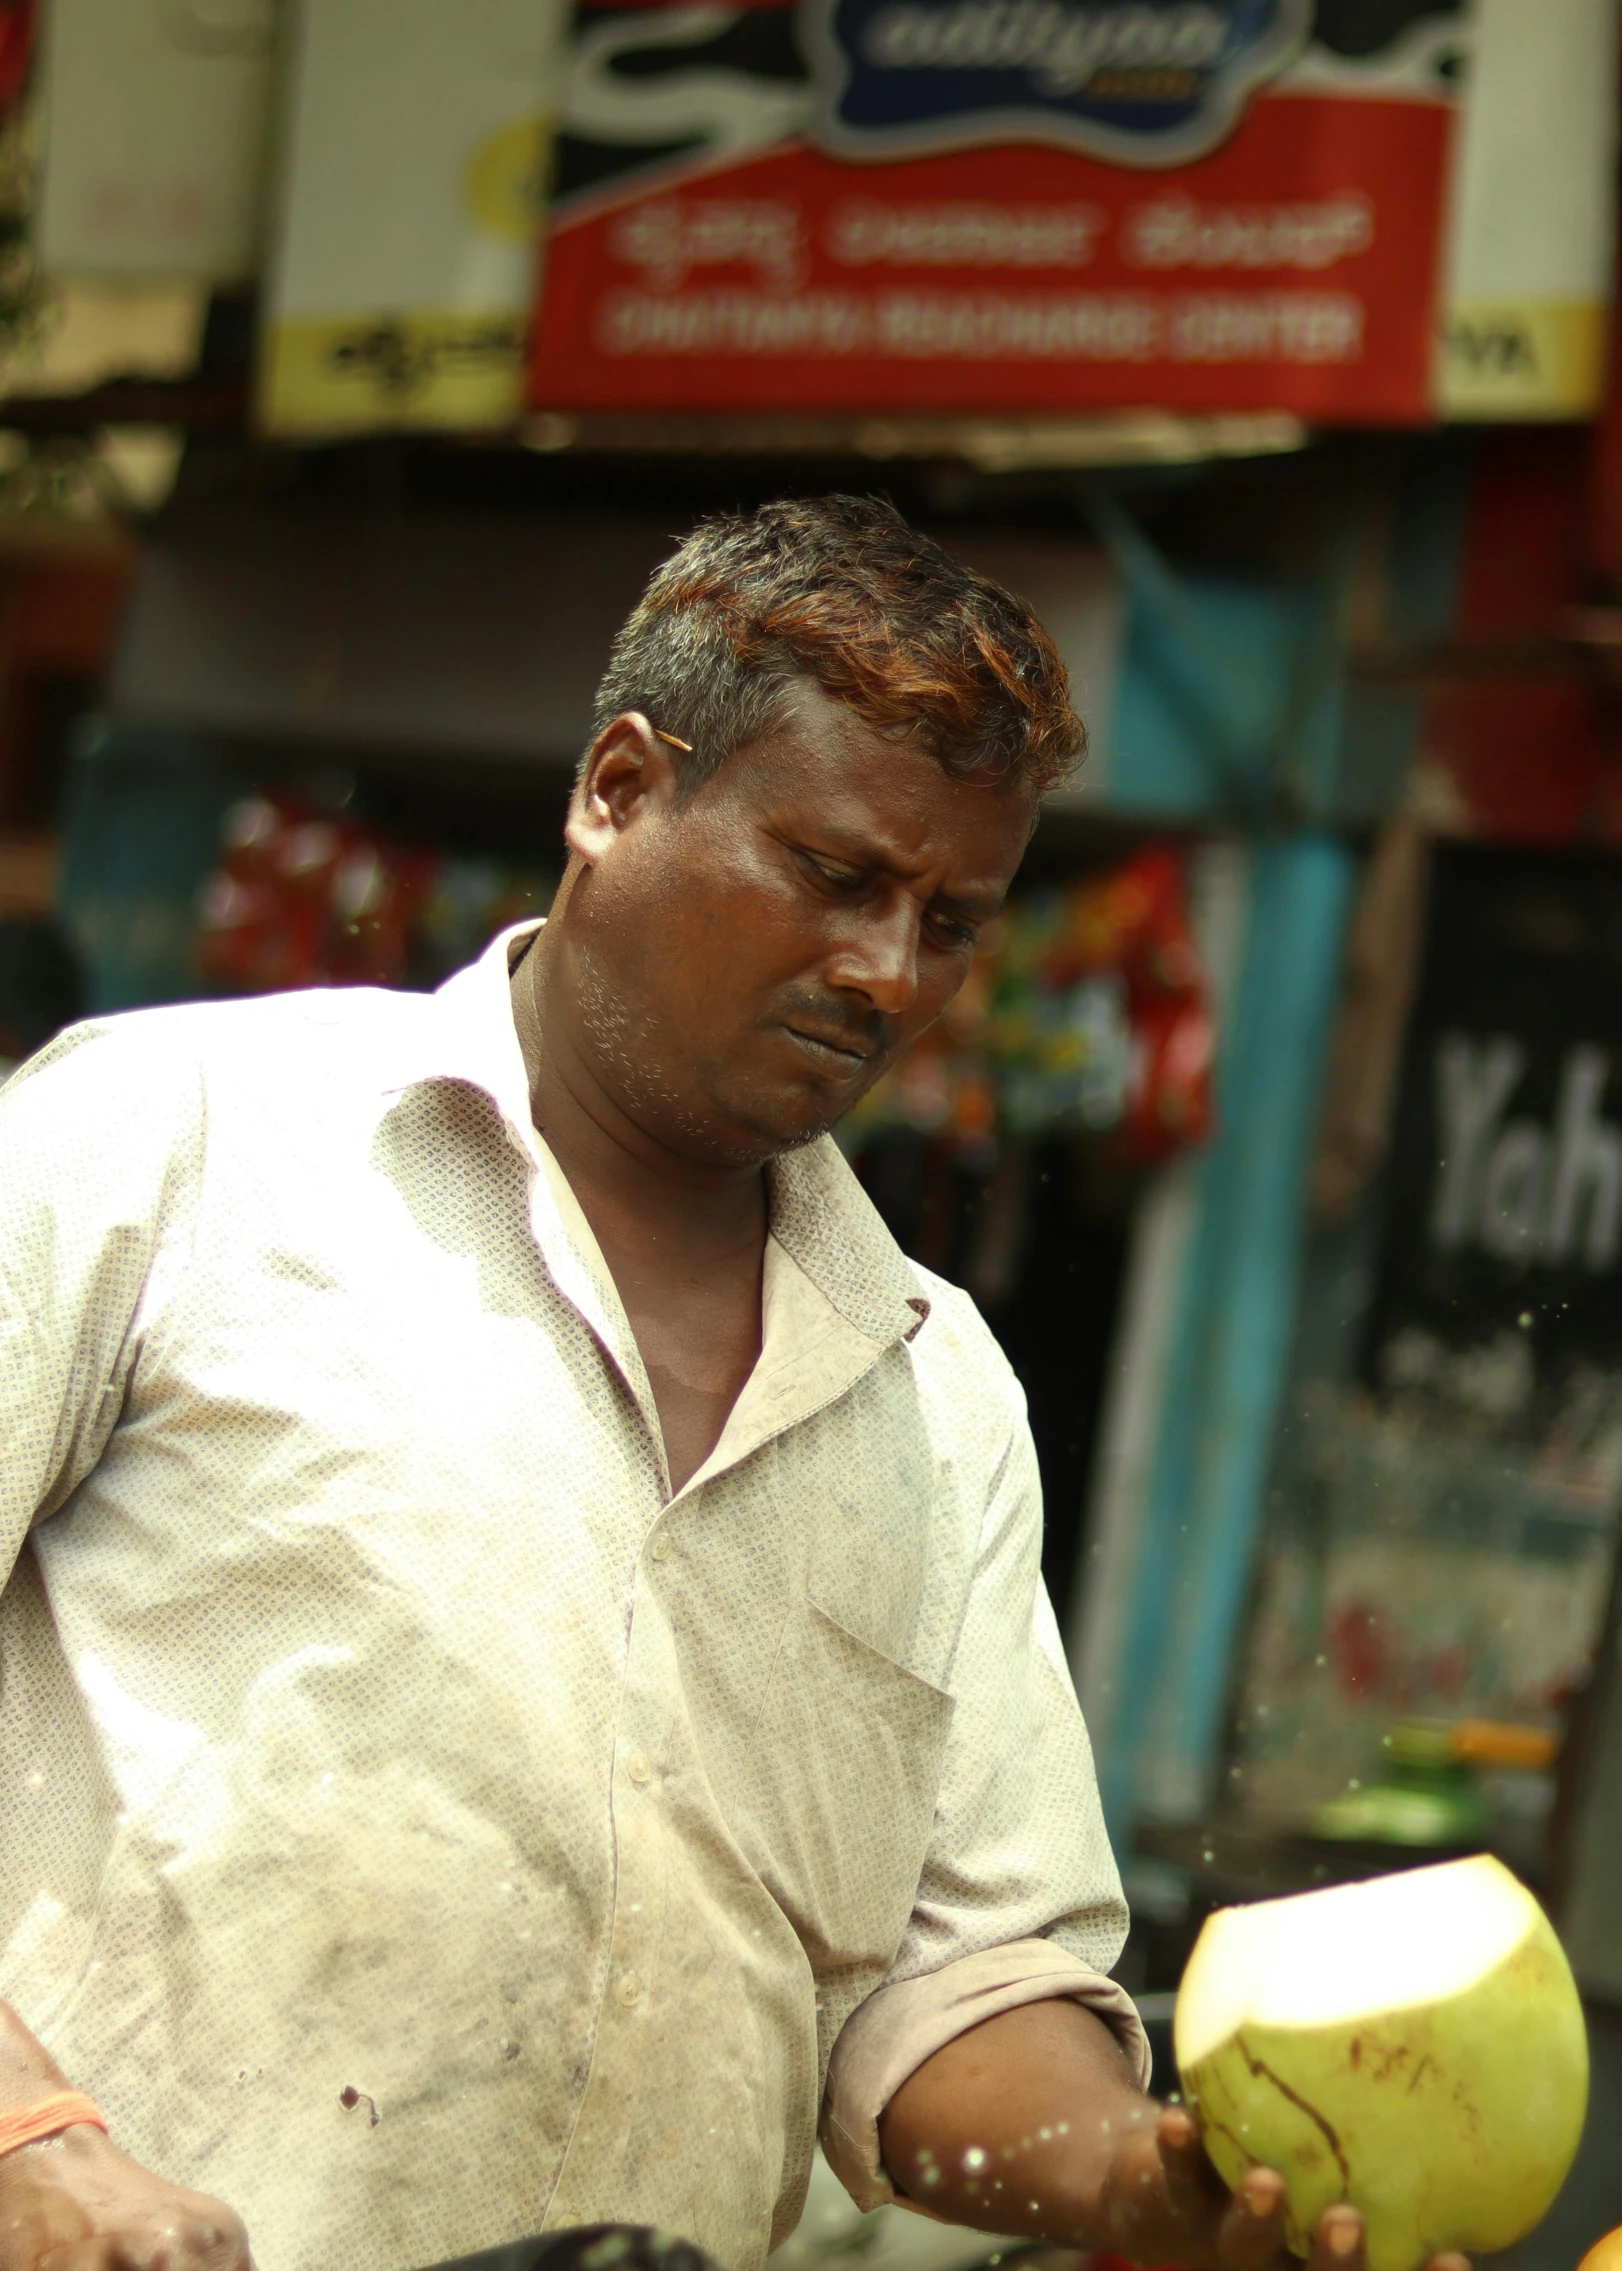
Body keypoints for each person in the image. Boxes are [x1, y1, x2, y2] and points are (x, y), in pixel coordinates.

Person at [0, 497, 1462, 2271]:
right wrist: (29, 2143)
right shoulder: (165, 1148)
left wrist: (1147, 2191)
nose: (885, 970)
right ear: (617, 790)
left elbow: (950, 1988)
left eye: (953, 921)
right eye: (839, 875)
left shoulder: (937, 1402)